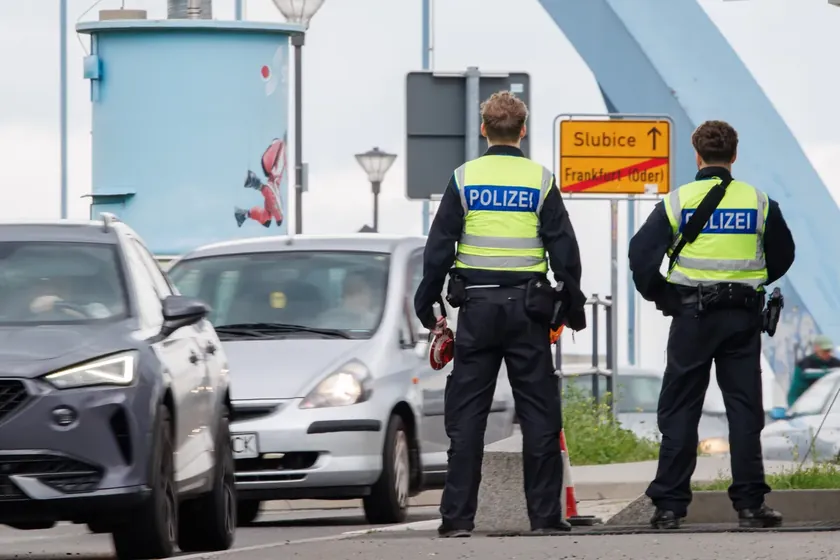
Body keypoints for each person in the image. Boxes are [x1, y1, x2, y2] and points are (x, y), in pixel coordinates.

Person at [413, 91, 587, 537]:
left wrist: (428, 301)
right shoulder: (539, 180)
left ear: (485, 129)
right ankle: (546, 518)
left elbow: (439, 247)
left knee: (467, 415)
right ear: (523, 130)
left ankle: (456, 520)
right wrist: (572, 303)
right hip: (528, 310)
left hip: (477, 309)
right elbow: (563, 249)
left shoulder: (465, 178)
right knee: (539, 414)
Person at [628, 120, 795, 530]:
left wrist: (666, 297)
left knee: (681, 407)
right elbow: (784, 255)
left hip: (692, 317)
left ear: (697, 154)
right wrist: (748, 283)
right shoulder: (759, 202)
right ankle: (751, 506)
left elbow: (640, 256)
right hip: (741, 318)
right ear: (734, 156)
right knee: (743, 408)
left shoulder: (677, 201)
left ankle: (669, 507)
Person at [787, 335, 840, 406]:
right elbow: (797, 389)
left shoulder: (835, 363)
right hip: (803, 403)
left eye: (829, 350)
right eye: (824, 351)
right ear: (816, 348)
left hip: (826, 404)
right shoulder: (806, 364)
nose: (827, 353)